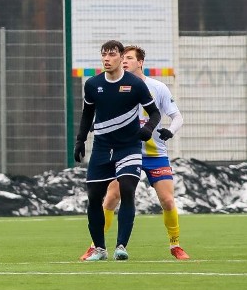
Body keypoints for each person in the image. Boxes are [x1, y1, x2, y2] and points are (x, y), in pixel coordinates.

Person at [79, 45, 189, 261]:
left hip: (155, 153)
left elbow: (177, 116)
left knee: (167, 200)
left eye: (130, 58)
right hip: (125, 151)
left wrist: (169, 130)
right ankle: (96, 246)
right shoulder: (112, 85)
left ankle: (175, 244)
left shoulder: (157, 88)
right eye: (125, 58)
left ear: (140, 62)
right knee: (110, 197)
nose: (126, 61)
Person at [74, 40, 161, 261]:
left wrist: (148, 129)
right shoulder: (93, 85)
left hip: (128, 147)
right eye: (103, 54)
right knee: (94, 197)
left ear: (121, 58)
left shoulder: (135, 84)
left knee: (127, 189)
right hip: (102, 148)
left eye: (111, 55)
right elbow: (87, 115)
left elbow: (155, 114)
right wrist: (80, 140)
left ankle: (121, 246)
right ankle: (100, 249)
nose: (106, 58)